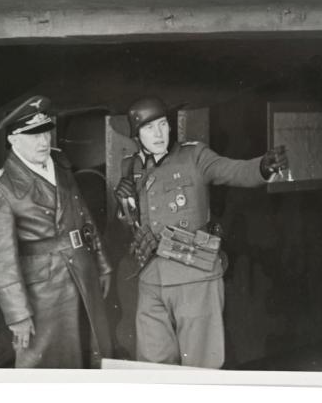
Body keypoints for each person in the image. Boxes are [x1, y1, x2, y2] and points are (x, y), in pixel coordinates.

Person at [113, 97, 289, 368]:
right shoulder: (130, 167)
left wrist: (262, 167)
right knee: (152, 365)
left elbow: (232, 170)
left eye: (162, 125)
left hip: (193, 275)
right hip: (151, 278)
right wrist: (124, 203)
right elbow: (133, 222)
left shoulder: (194, 156)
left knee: (200, 365)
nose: (159, 134)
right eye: (149, 128)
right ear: (137, 136)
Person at [0, 95, 113, 368]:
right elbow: (0, 261)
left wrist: (102, 264)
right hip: (43, 292)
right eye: (33, 135)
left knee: (90, 353)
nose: (43, 141)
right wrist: (17, 314)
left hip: (82, 273)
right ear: (14, 140)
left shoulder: (60, 164)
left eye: (45, 132)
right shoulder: (1, 189)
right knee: (45, 363)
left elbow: (83, 216)